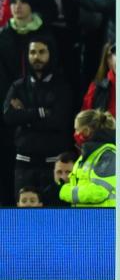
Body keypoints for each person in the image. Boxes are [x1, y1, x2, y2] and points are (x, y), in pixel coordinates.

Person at [3, 36, 73, 198]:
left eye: (42, 52)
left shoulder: (62, 87)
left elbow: (58, 121)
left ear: (51, 54)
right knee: (24, 220)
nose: (36, 57)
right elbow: (9, 117)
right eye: (32, 52)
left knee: (54, 219)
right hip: (24, 165)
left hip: (53, 165)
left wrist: (25, 116)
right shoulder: (18, 86)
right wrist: (40, 112)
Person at [58, 109, 116, 207]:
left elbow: (99, 191)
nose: (75, 134)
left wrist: (65, 191)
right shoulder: (85, 156)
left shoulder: (107, 155)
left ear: (86, 131)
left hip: (105, 219)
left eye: (77, 129)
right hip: (86, 218)